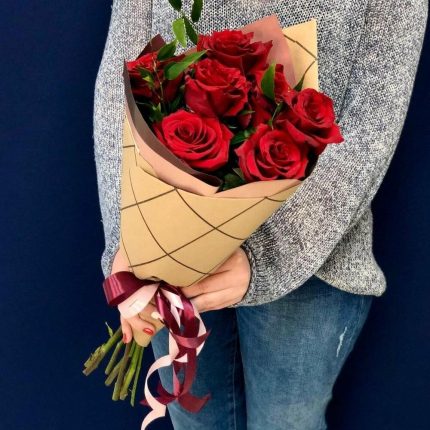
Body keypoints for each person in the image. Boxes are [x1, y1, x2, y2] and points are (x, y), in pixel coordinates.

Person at [93, 1, 428, 429]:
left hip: (313, 256)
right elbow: (123, 66)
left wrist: (270, 253)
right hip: (169, 247)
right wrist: (131, 239)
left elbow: (374, 117)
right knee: (193, 420)